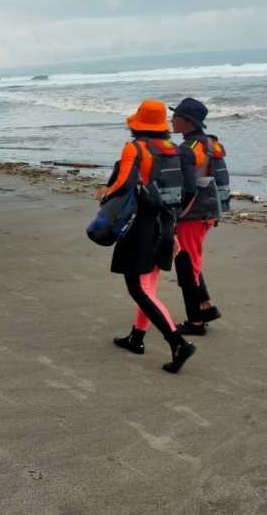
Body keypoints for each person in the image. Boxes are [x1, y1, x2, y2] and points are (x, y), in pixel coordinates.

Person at [97, 99, 195, 373]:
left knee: (138, 289)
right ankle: (136, 338)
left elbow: (122, 183)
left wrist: (104, 194)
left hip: (140, 227)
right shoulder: (174, 150)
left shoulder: (135, 148)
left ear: (137, 124)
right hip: (165, 225)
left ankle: (178, 343)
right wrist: (173, 223)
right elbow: (188, 191)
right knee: (148, 286)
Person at [171, 98, 227, 335]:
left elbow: (187, 186)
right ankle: (206, 306)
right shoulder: (210, 144)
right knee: (190, 261)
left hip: (192, 214)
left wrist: (175, 214)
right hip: (208, 210)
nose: (171, 120)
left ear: (186, 121)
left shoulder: (188, 149)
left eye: (175, 117)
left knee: (186, 266)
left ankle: (195, 322)